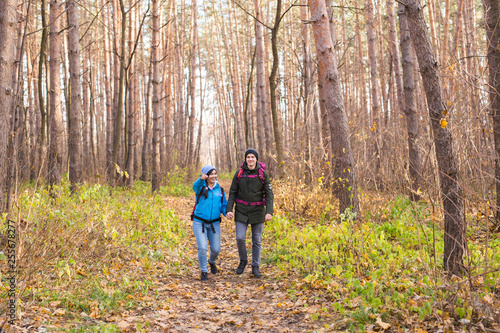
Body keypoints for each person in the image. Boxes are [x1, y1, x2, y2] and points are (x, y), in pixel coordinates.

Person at [226, 148, 274, 278]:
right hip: (241, 210)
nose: (250, 159)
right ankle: (243, 260)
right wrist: (229, 209)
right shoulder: (239, 173)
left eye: (253, 157)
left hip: (257, 211)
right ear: (245, 159)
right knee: (240, 237)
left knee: (257, 240)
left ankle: (255, 266)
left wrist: (269, 211)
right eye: (248, 157)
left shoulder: (263, 174)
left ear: (256, 159)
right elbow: (232, 193)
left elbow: (269, 194)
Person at [192, 165, 227, 281]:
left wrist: (227, 213)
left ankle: (211, 261)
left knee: (216, 249)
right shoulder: (200, 187)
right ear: (206, 175)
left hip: (214, 224)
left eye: (215, 174)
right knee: (202, 248)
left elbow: (223, 205)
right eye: (211, 174)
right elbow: (194, 186)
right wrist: (201, 179)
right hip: (199, 222)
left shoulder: (220, 190)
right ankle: (204, 271)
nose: (214, 176)